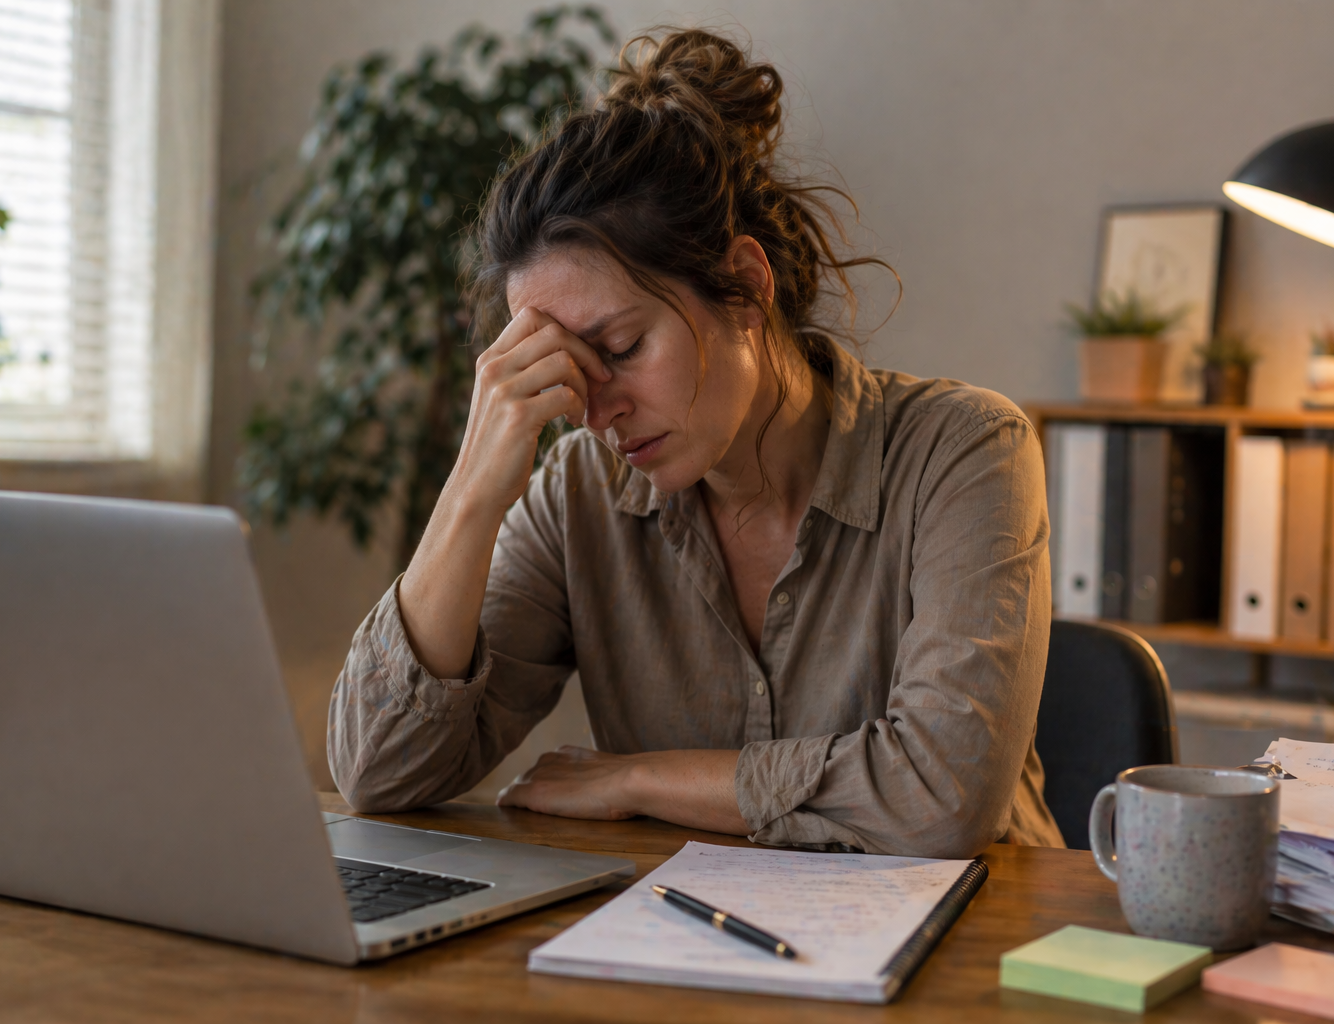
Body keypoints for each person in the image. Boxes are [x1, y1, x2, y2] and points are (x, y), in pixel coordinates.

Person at [328, 28, 1064, 856]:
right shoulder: (580, 491)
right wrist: (471, 490)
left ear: (746, 288)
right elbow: (378, 771)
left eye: (620, 349)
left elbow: (941, 797)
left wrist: (636, 777)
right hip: (688, 954)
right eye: (567, 368)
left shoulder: (965, 454)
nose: (595, 410)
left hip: (975, 954)